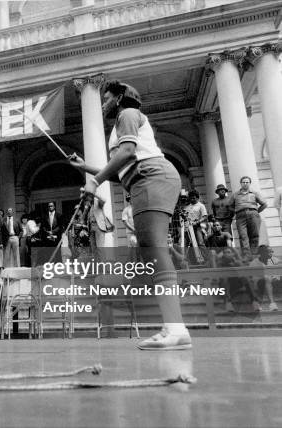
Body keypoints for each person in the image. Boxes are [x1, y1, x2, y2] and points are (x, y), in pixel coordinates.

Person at [68, 79, 191, 350]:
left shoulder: (127, 113)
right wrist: (87, 169)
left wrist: (95, 181)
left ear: (120, 96)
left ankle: (175, 328)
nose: (103, 102)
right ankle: (173, 327)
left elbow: (128, 152)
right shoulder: (123, 122)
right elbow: (123, 170)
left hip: (152, 177)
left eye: (106, 97)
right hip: (144, 179)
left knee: (154, 250)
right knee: (152, 250)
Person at [230, 176, 267, 250]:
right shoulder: (235, 194)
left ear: (250, 183)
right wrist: (235, 212)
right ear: (241, 183)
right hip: (240, 216)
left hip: (253, 214)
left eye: (247, 182)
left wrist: (256, 212)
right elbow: (229, 206)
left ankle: (254, 254)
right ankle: (246, 256)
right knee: (242, 235)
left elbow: (264, 204)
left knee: (254, 235)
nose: (245, 184)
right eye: (243, 182)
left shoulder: (254, 193)